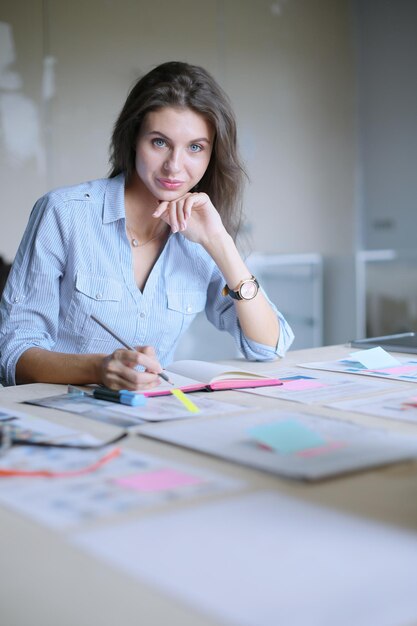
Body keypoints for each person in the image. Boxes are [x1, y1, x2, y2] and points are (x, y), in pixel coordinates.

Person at [0, 61, 294, 390]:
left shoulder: (201, 234)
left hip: (147, 418)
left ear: (212, 154)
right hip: (57, 421)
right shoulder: (63, 214)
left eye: (195, 147)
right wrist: (98, 369)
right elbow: (12, 354)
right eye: (159, 142)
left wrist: (220, 243)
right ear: (133, 138)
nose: (174, 166)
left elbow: (269, 346)